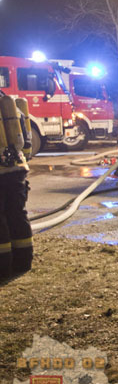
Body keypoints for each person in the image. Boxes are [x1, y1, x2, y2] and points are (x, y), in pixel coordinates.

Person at [0, 92, 33, 281]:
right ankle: (23, 261)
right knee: (17, 214)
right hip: (17, 169)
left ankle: (2, 268)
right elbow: (26, 142)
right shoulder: (12, 105)